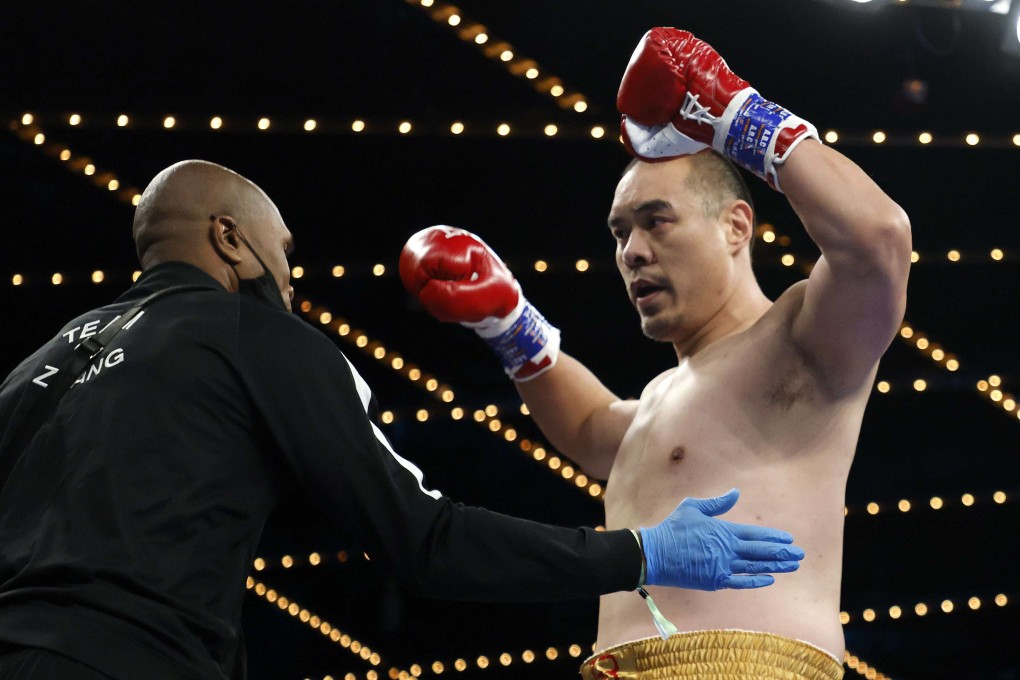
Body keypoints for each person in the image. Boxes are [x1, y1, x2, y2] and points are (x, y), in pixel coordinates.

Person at [0, 160, 805, 680]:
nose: (289, 280)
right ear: (231, 240)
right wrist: (643, 552)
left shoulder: (31, 368)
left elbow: (603, 429)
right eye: (283, 253)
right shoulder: (260, 338)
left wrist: (512, 326)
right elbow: (423, 538)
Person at [399, 28, 911, 680]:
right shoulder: (665, 399)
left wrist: (733, 113)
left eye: (656, 220)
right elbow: (589, 429)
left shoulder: (801, 344)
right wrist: (509, 322)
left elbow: (878, 242)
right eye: (620, 232)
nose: (632, 252)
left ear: (735, 227)